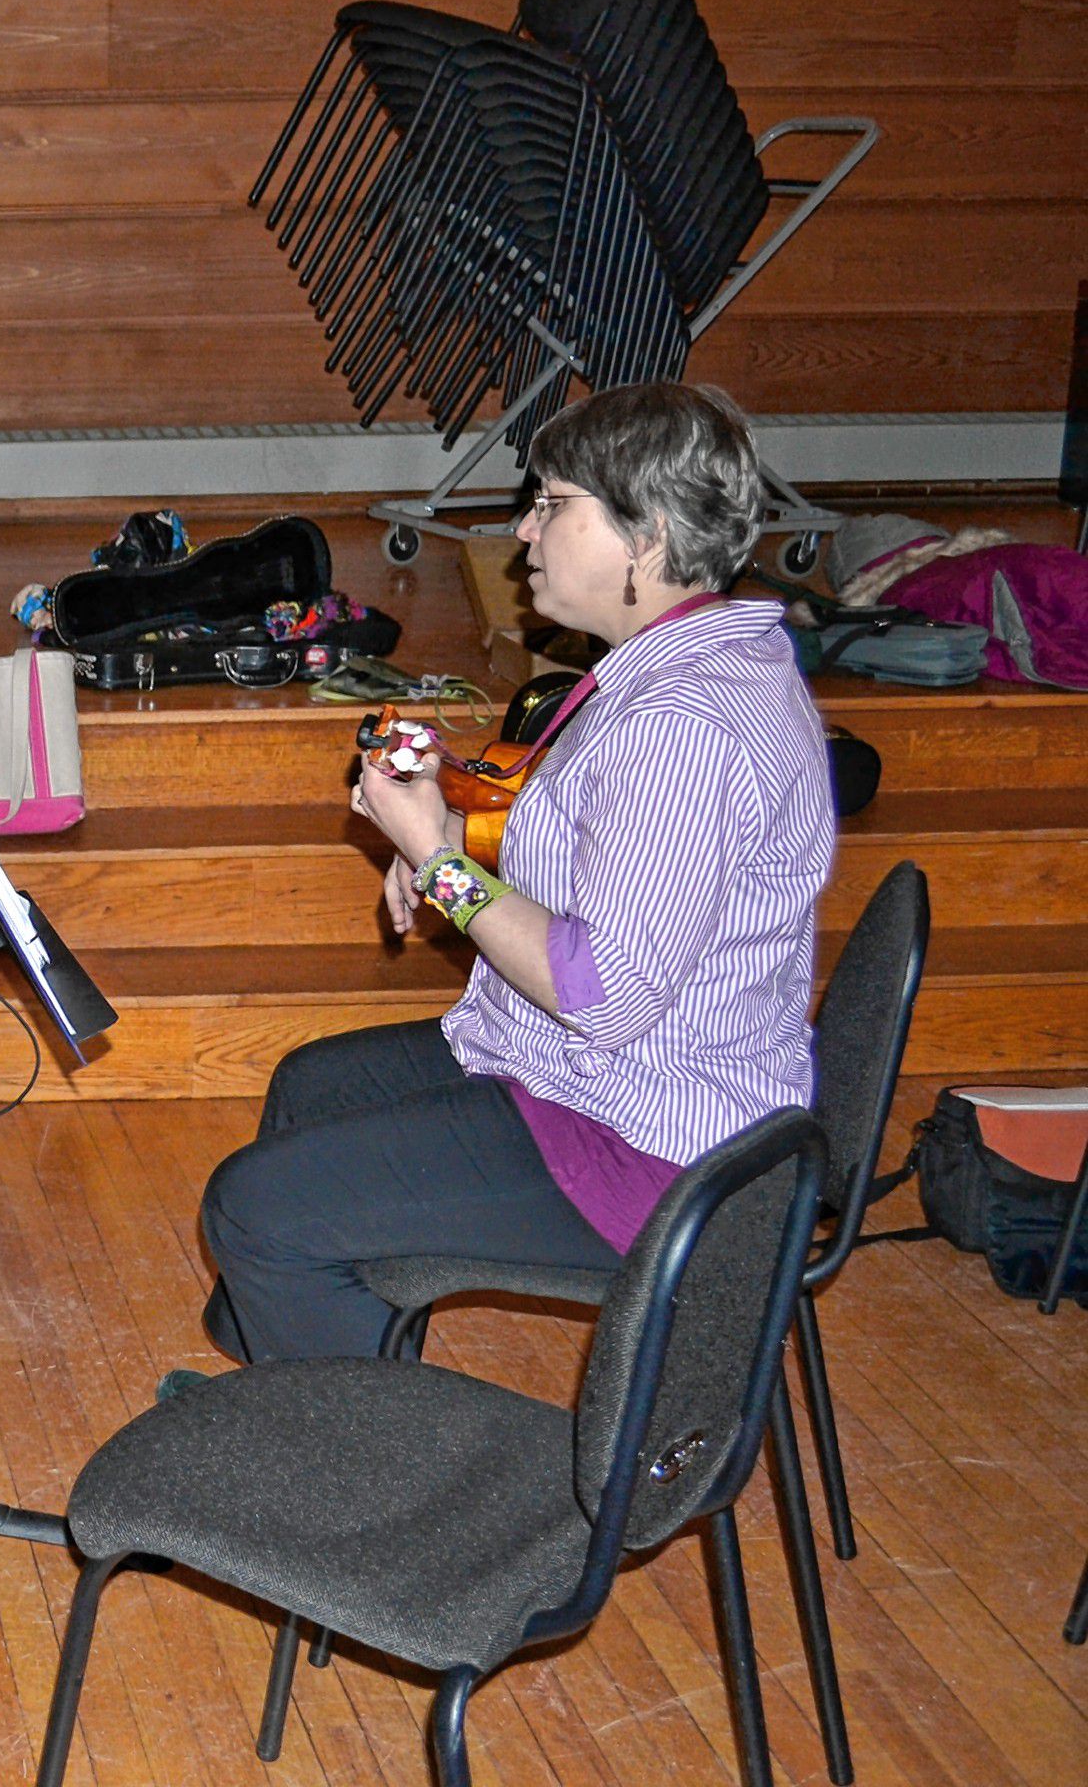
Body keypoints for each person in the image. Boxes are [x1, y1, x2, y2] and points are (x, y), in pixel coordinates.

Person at [195, 382, 834, 1363]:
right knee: (313, 1088)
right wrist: (452, 840)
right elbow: (605, 872)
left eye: (552, 503)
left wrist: (437, 856)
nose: (523, 533)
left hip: (650, 1145)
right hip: (604, 1075)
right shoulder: (681, 665)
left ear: (648, 533)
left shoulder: (681, 725)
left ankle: (366, 1487)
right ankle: (292, 1403)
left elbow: (603, 989)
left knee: (255, 1208)